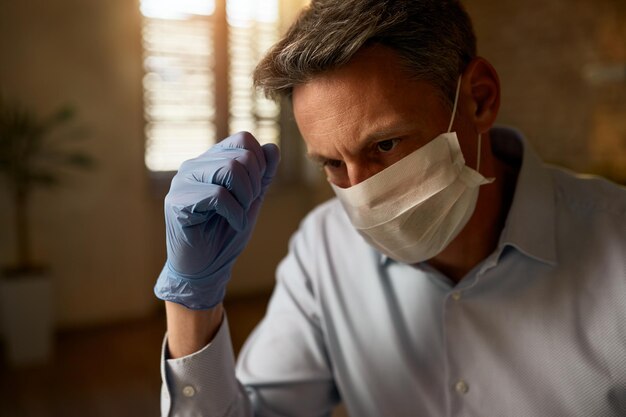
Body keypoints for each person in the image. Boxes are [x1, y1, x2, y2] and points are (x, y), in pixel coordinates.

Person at [154, 0, 626, 415]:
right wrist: (192, 303)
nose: (363, 194)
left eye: (385, 145)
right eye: (333, 164)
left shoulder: (616, 245)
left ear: (480, 99)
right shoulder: (324, 249)